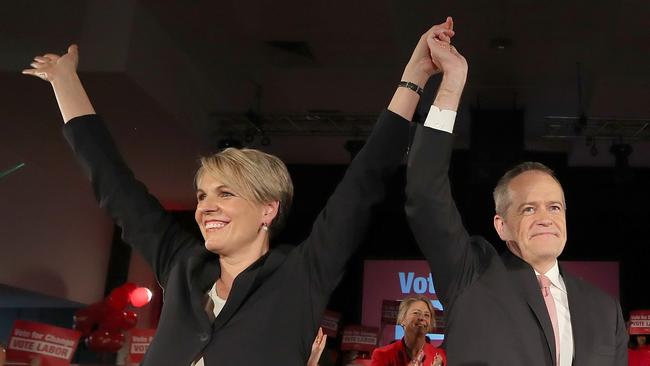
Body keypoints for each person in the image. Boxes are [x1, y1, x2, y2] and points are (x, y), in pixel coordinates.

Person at [22, 18, 455, 366]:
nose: (206, 206)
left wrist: (414, 77)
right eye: (203, 195)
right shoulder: (183, 267)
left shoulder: (300, 275)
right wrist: (65, 84)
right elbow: (113, 184)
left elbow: (364, 180)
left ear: (269, 209)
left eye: (225, 194)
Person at [404, 20, 628, 365]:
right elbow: (424, 195)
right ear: (501, 225)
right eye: (527, 209)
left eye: (554, 207)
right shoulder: (470, 277)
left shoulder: (605, 310)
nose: (544, 218)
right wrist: (451, 84)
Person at [371, 296, 445, 366]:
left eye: (426, 315)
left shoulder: (439, 356)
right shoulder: (383, 355)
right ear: (402, 319)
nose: (422, 318)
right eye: (416, 313)